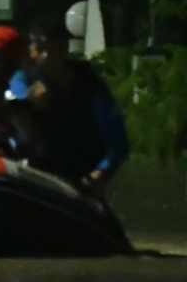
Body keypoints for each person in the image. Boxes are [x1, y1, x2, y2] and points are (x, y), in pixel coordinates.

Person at [23, 12, 128, 194]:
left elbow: (118, 140)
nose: (42, 55)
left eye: (49, 48)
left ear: (63, 48)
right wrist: (28, 101)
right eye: (37, 47)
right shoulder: (24, 80)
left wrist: (101, 172)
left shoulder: (89, 84)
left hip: (82, 180)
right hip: (34, 181)